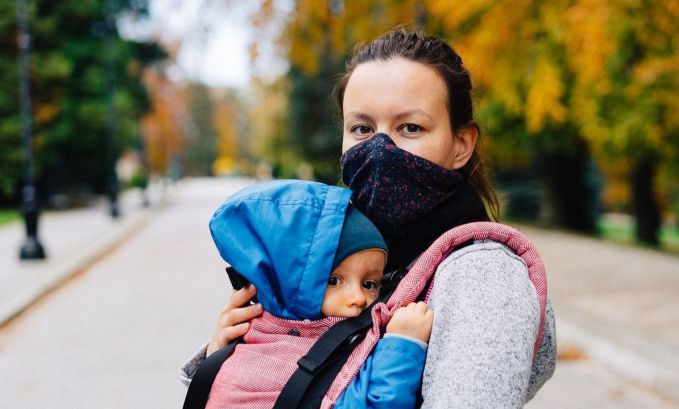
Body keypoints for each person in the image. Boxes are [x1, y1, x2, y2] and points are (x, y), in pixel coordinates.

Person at [181, 29, 556, 408]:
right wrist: (232, 357)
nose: (379, 149)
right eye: (362, 129)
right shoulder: (344, 248)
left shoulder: (483, 276)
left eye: (410, 127)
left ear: (461, 145)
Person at [201, 180, 433, 408]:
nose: (359, 298)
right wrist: (403, 346)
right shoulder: (260, 363)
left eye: (369, 284)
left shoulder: (334, 336)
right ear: (288, 283)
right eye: (333, 281)